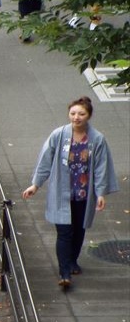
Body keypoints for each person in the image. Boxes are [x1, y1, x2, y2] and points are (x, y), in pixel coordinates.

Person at [22, 96, 118, 288]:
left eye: (81, 114)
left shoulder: (97, 139)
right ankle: (64, 272)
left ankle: (72, 261)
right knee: (64, 232)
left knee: (79, 229)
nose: (76, 117)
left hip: (83, 194)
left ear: (88, 115)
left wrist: (100, 193)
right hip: (61, 192)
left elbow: (101, 167)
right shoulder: (58, 135)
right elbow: (45, 160)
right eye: (73, 113)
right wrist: (36, 184)